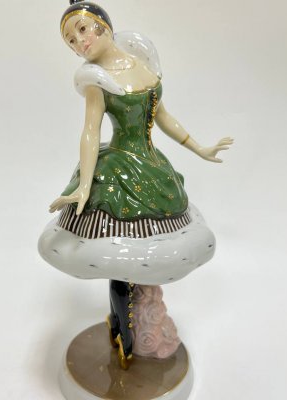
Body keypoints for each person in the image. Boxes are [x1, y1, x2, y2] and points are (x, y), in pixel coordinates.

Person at [43, 0, 233, 370]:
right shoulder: (95, 81)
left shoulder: (141, 61)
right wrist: (84, 185)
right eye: (70, 41)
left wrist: (200, 147)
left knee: (138, 260)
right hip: (117, 170)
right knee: (116, 258)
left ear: (103, 25)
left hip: (152, 168)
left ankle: (130, 328)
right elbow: (90, 131)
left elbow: (163, 116)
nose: (79, 42)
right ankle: (124, 335)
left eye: (82, 30)